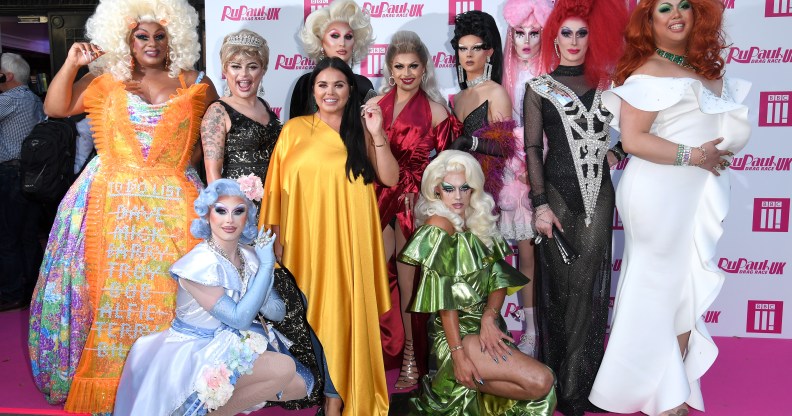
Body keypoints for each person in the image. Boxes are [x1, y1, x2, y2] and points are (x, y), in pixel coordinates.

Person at [27, 0, 218, 412]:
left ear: (176, 38)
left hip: (173, 208)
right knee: (110, 301)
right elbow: (55, 108)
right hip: (108, 206)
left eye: (160, 35)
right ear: (125, 39)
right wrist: (73, 63)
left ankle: (165, 390)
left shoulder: (195, 81)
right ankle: (110, 390)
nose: (151, 43)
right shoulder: (105, 79)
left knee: (170, 296)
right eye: (141, 35)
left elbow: (212, 141)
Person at [588, 1, 751, 415]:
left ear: (699, 14)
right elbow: (635, 140)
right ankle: (652, 393)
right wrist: (695, 156)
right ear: (649, 21)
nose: (675, 13)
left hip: (695, 194)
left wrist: (708, 157)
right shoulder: (648, 72)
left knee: (683, 290)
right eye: (663, 8)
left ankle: (669, 385)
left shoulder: (704, 70)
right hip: (657, 192)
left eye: (683, 5)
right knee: (657, 289)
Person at [261, 57, 398, 416]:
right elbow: (276, 189)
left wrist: (378, 132)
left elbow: (390, 178)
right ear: (313, 90)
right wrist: (274, 236)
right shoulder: (294, 130)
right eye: (322, 85)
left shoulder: (360, 131)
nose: (330, 92)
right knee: (315, 313)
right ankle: (329, 392)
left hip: (352, 243)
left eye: (338, 85)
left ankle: (335, 400)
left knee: (346, 315)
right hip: (307, 242)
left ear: (350, 90)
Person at [114, 178, 312, 415]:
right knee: (283, 368)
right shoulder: (198, 264)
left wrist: (262, 272)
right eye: (221, 211)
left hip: (230, 342)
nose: (229, 220)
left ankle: (216, 409)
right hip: (196, 349)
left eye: (238, 211)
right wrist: (267, 266)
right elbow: (238, 319)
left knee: (298, 385)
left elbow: (277, 312)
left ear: (247, 217)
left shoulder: (249, 256)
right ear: (208, 215)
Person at [522, 0, 627, 414]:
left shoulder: (612, 85)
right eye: (566, 33)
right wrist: (540, 205)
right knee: (562, 289)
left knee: (586, 285)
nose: (574, 41)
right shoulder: (538, 88)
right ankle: (560, 381)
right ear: (554, 38)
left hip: (599, 197)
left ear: (593, 37)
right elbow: (532, 149)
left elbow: (647, 124)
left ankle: (581, 386)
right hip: (556, 199)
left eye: (582, 33)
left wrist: (618, 151)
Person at [398, 149, 556, 415]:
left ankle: (469, 389)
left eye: (464, 188)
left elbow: (499, 280)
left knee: (542, 388)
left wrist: (489, 317)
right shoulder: (438, 226)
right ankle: (454, 377)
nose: (458, 196)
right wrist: (458, 355)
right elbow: (444, 298)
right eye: (449, 189)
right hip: (456, 335)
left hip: (486, 327)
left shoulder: (478, 221)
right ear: (437, 190)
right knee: (542, 381)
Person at [367, 30, 460, 389]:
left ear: (424, 69)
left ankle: (412, 356)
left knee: (409, 285)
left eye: (413, 66)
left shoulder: (437, 111)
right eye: (399, 66)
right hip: (375, 199)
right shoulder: (376, 105)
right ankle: (369, 351)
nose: (406, 73)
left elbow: (450, 168)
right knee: (372, 278)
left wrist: (424, 192)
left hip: (411, 205)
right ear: (390, 69)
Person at [500, 0, 553, 357]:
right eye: (520, 33)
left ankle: (535, 332)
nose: (527, 41)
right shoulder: (501, 77)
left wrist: (535, 164)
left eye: (535, 33)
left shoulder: (552, 75)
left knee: (534, 255)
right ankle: (507, 327)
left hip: (543, 172)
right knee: (512, 254)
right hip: (505, 174)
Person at [201, 29, 281, 219]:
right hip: (238, 211)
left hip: (272, 207)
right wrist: (225, 215)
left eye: (252, 67)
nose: (243, 75)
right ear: (224, 70)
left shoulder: (265, 106)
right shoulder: (218, 112)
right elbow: (213, 172)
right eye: (236, 66)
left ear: (263, 70)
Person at [448, 10, 517, 213]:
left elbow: (505, 148)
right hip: (456, 192)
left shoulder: (496, 93)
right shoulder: (457, 97)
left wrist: (469, 142)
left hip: (484, 193)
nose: (468, 54)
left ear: (489, 52)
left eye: (476, 48)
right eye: (463, 49)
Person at [0, 52, 46, 312]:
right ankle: (33, 289)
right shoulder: (31, 98)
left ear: (5, 76)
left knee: (7, 237)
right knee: (28, 236)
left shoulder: (10, 98)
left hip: (10, 174)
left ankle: (11, 292)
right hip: (32, 175)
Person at [289, 0, 375, 119]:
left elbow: (372, 130)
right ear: (320, 41)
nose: (342, 43)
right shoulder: (305, 83)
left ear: (355, 43)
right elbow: (294, 132)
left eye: (348, 36)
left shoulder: (364, 84)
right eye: (335, 36)